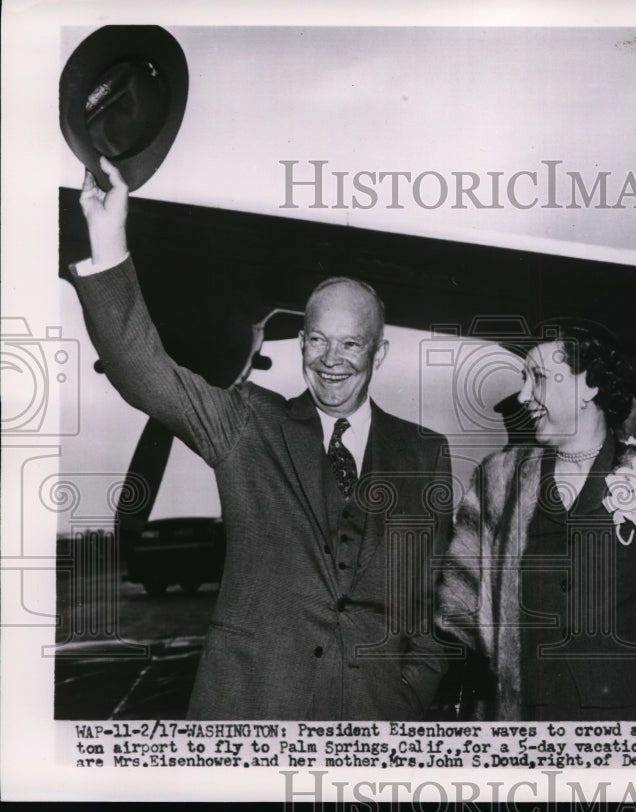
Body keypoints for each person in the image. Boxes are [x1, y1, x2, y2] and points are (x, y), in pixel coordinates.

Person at [72, 157, 452, 720]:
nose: (331, 360)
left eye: (350, 345)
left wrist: (410, 694)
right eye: (318, 340)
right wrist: (108, 238)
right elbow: (141, 369)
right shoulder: (249, 423)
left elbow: (435, 599)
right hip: (254, 708)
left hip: (376, 721)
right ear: (300, 343)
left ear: (379, 352)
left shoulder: (425, 453)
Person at [438, 322, 636, 720]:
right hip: (524, 721)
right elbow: (456, 611)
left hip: (630, 724)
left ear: (589, 384)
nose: (523, 396)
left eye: (537, 378)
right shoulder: (497, 482)